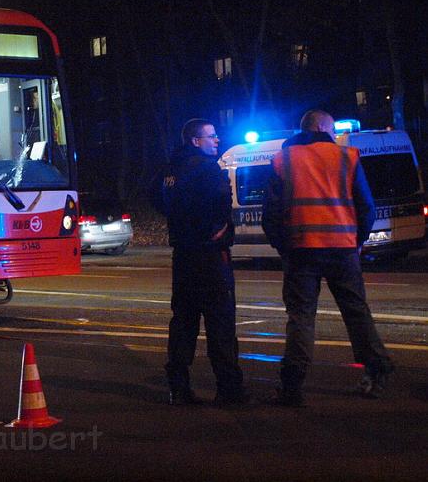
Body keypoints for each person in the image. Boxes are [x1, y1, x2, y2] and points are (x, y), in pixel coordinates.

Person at [262, 109, 394, 406]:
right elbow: (367, 207)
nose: (335, 135)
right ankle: (377, 371)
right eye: (332, 129)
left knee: (301, 317)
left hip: (300, 251)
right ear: (322, 127)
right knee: (356, 313)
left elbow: (270, 213)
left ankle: (292, 386)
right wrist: (355, 241)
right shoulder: (347, 157)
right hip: (342, 250)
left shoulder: (284, 160)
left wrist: (284, 246)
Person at [152, 118, 246, 405]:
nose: (217, 140)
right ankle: (229, 390)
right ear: (196, 141)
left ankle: (178, 386)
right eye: (211, 136)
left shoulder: (170, 170)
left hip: (183, 256)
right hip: (210, 255)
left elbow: (158, 201)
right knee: (220, 324)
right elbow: (220, 201)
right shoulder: (207, 168)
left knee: (183, 322)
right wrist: (219, 230)